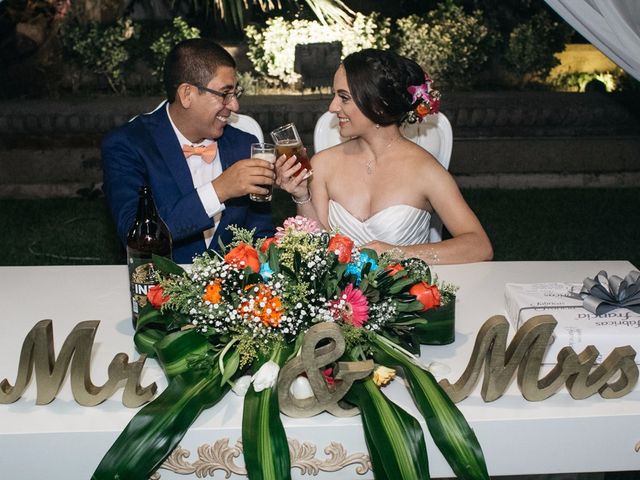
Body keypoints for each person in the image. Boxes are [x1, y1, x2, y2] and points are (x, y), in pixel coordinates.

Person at [275, 49, 492, 265]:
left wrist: (397, 253)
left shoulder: (426, 171)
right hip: (341, 298)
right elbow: (316, 250)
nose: (332, 107)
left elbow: (479, 246)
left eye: (344, 98)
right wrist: (301, 195)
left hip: (409, 295)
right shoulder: (323, 164)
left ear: (378, 105)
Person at [102, 38, 275, 264]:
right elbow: (134, 234)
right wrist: (219, 190)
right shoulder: (127, 145)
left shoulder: (244, 145)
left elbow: (260, 236)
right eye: (225, 94)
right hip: (160, 288)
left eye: (235, 94)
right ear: (187, 94)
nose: (234, 106)